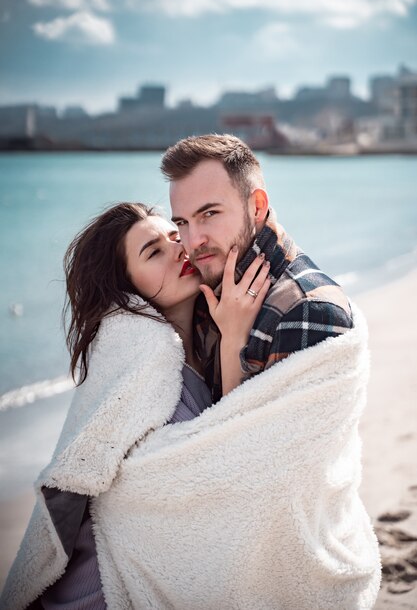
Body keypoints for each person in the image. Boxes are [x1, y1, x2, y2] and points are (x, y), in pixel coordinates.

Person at [0, 202, 269, 610]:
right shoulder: (147, 353)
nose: (180, 250)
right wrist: (234, 338)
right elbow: (217, 469)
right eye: (153, 252)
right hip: (99, 593)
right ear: (128, 288)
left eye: (175, 238)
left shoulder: (195, 346)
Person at [162, 133, 355, 401]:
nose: (194, 241)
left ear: (257, 206)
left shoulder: (307, 311)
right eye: (182, 222)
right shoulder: (202, 289)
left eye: (209, 214)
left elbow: (270, 441)